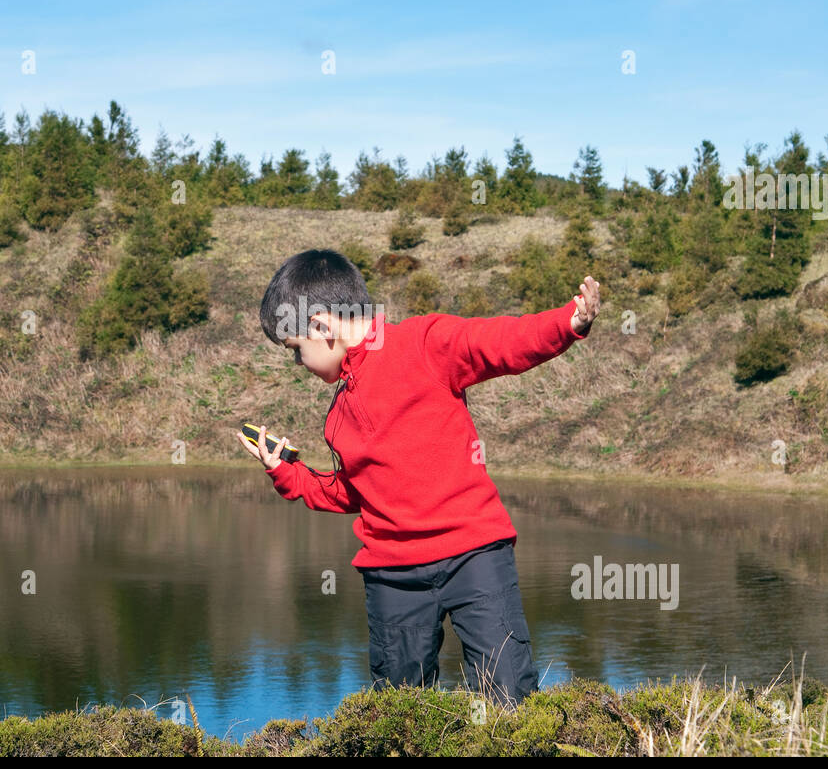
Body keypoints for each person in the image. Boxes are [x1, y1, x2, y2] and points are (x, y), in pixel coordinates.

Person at [236, 248, 600, 707]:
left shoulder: (424, 343)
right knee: (400, 711)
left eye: (296, 351)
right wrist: (287, 472)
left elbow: (499, 341)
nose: (299, 365)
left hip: (475, 557)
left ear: (322, 327)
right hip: (392, 577)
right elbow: (352, 493)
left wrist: (567, 324)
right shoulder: (338, 416)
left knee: (509, 697)